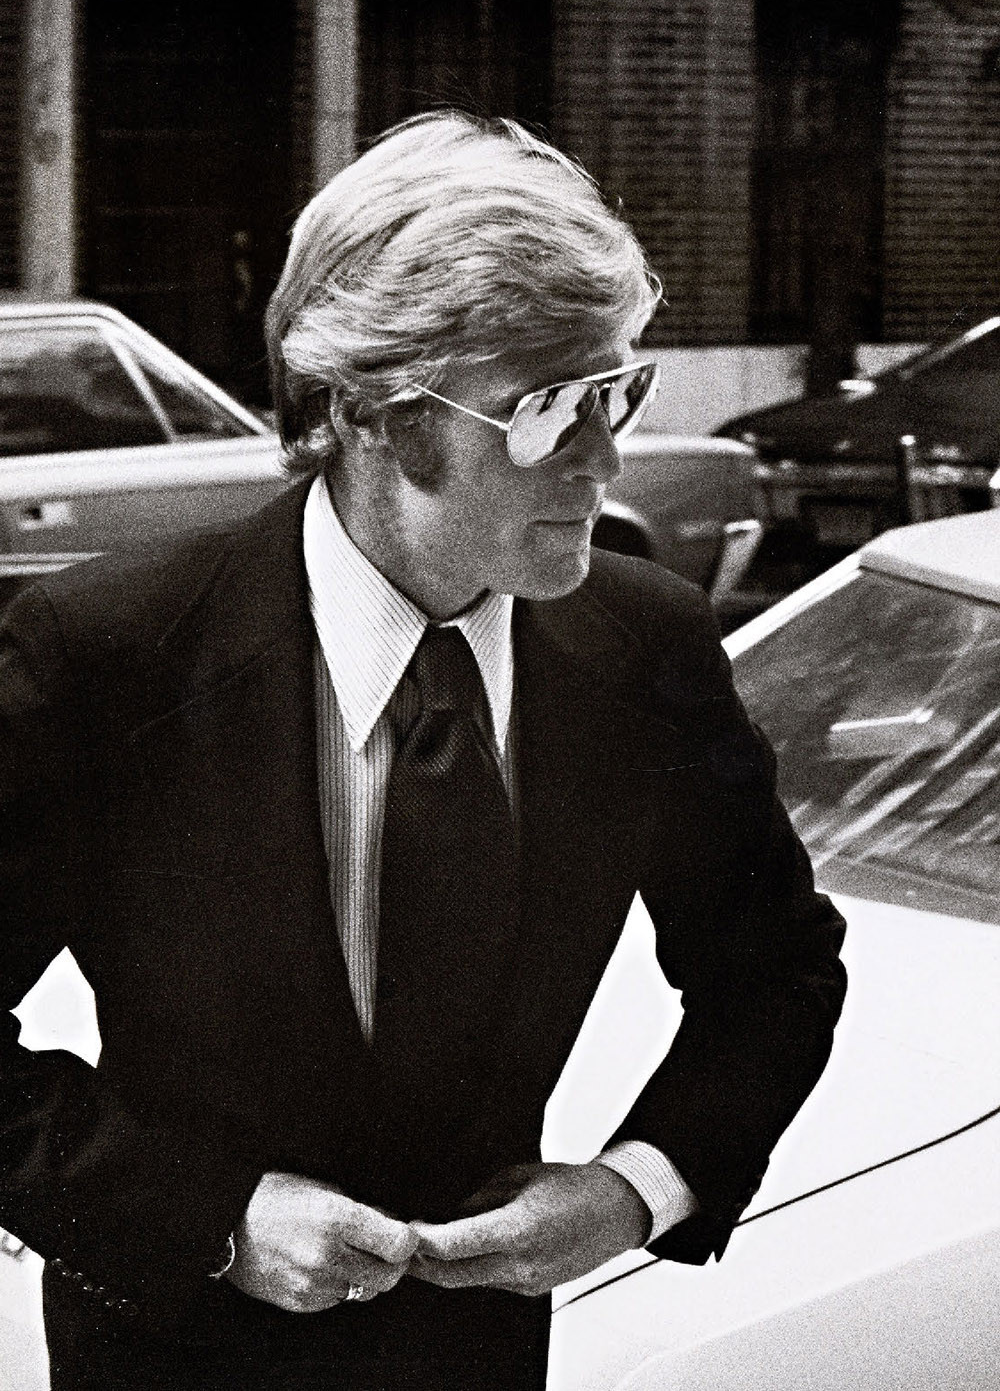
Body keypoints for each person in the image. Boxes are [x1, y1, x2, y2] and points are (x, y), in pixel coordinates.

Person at [0, 112, 847, 1391]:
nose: (603, 459)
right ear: (372, 413)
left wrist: (634, 1187)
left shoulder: (646, 642)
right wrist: (208, 1213)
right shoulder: (110, 652)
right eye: (547, 409)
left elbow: (776, 969)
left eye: (617, 393)